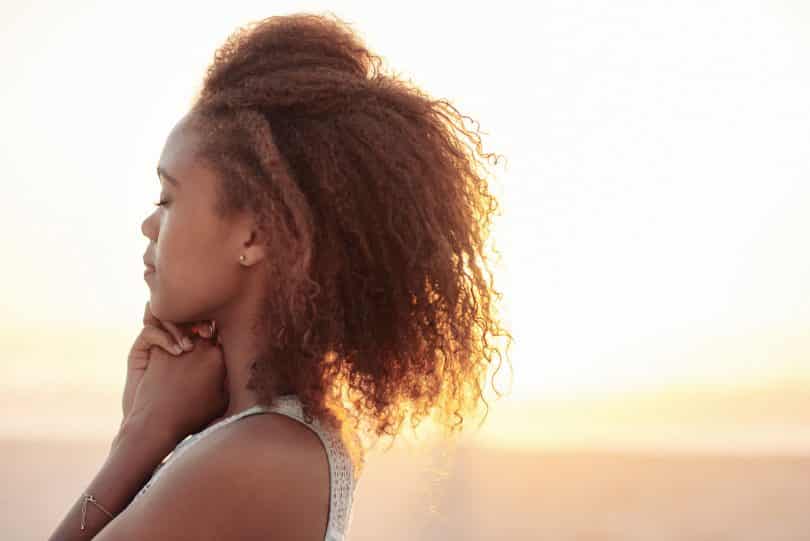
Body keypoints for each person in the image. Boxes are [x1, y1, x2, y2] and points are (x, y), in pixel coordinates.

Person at [49, 11, 512, 541]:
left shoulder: (255, 456)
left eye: (168, 198)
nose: (148, 224)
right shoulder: (272, 435)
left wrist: (139, 439)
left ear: (253, 237)